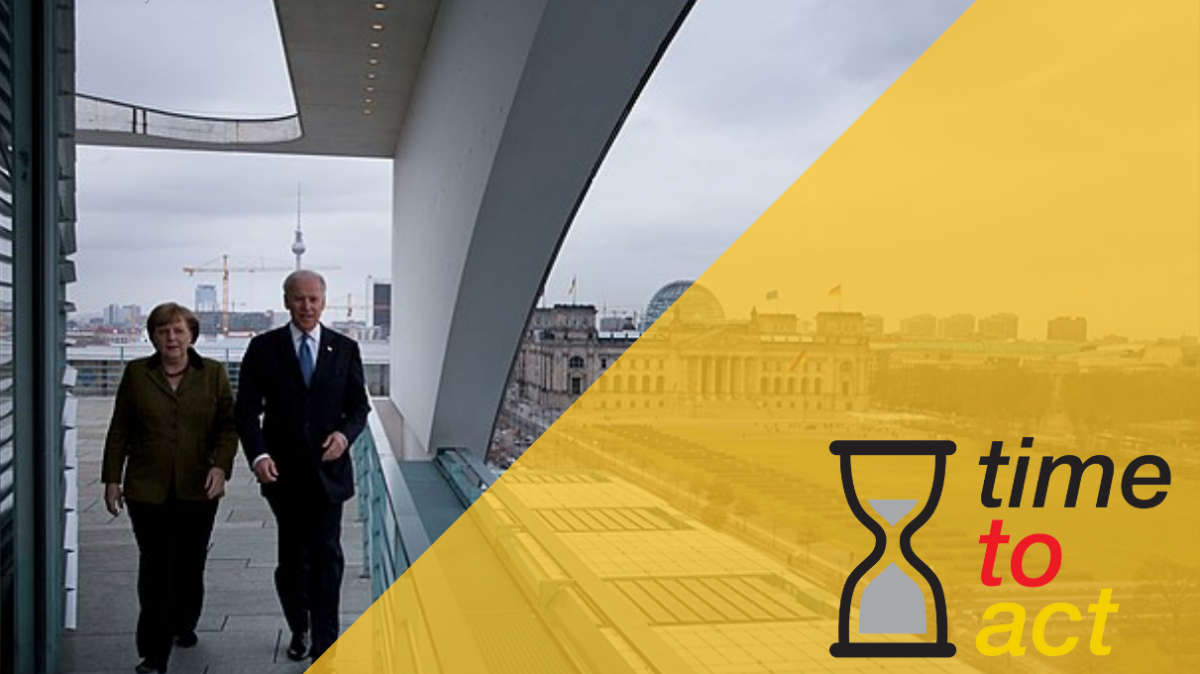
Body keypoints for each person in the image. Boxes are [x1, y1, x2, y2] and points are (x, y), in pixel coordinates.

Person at [234, 270, 370, 662]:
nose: (306, 306)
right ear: (286, 301)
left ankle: (325, 643)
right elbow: (245, 412)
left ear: (324, 302)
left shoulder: (344, 348)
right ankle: (299, 626)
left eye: (313, 299)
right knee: (293, 559)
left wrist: (344, 436)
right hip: (283, 474)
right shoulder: (264, 348)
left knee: (327, 554)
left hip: (329, 473)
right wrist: (258, 456)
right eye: (299, 299)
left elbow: (358, 408)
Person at [102, 303, 238, 674]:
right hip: (147, 489)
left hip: (199, 486)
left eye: (178, 330)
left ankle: (184, 621)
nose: (171, 338)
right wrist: (112, 478)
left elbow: (228, 426)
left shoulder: (212, 373)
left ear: (191, 334)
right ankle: (153, 654)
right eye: (163, 331)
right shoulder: (136, 374)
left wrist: (221, 467)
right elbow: (120, 429)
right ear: (153, 337)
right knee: (155, 568)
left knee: (190, 564)